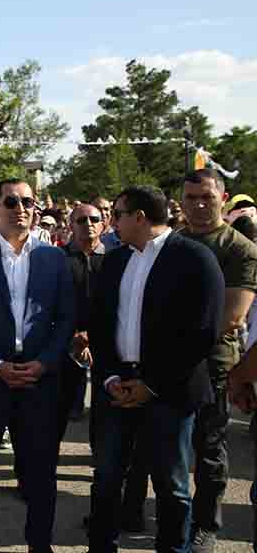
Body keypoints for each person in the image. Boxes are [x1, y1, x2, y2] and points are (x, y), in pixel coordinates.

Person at [88, 185, 224, 553]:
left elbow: (203, 332)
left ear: (140, 217)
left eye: (117, 215)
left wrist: (152, 385)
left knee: (172, 487)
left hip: (171, 393)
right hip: (117, 388)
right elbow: (99, 324)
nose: (111, 223)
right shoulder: (115, 260)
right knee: (106, 479)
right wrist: (111, 377)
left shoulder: (195, 258)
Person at [0, 178, 75, 553]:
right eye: (11, 202)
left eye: (27, 202)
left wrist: (44, 363)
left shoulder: (54, 258)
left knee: (40, 473)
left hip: (38, 380)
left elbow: (65, 318)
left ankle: (40, 543)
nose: (20, 208)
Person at [179, 169, 257, 553]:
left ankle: (206, 525)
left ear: (222, 199)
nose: (198, 205)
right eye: (191, 198)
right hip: (168, 363)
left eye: (207, 197)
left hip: (213, 365)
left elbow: (232, 317)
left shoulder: (240, 248)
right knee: (164, 446)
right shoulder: (171, 242)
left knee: (210, 450)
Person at [58, 204, 105, 440]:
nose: (88, 224)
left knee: (105, 408)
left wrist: (92, 335)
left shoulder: (116, 259)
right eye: (81, 220)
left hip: (106, 341)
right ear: (70, 225)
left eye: (94, 219)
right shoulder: (58, 259)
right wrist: (73, 334)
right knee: (61, 406)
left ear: (104, 224)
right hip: (66, 339)